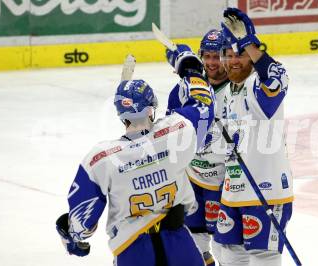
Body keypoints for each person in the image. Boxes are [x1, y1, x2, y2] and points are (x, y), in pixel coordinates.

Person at [55, 50, 215, 266]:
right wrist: (189, 68)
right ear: (152, 108)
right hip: (179, 244)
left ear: (120, 115)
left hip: (133, 250)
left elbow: (82, 222)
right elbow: (203, 105)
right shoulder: (177, 132)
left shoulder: (101, 159)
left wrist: (73, 239)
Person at [212, 8, 294, 266]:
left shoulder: (257, 85)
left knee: (263, 257)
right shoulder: (225, 92)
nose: (234, 60)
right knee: (226, 252)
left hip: (265, 188)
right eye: (229, 54)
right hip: (233, 189)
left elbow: (278, 76)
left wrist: (250, 42)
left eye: (241, 55)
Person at [165, 29, 229, 266]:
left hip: (224, 181)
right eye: (207, 56)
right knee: (195, 245)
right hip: (192, 178)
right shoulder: (186, 88)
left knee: (227, 247)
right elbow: (170, 130)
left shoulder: (236, 88)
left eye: (217, 56)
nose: (211, 63)